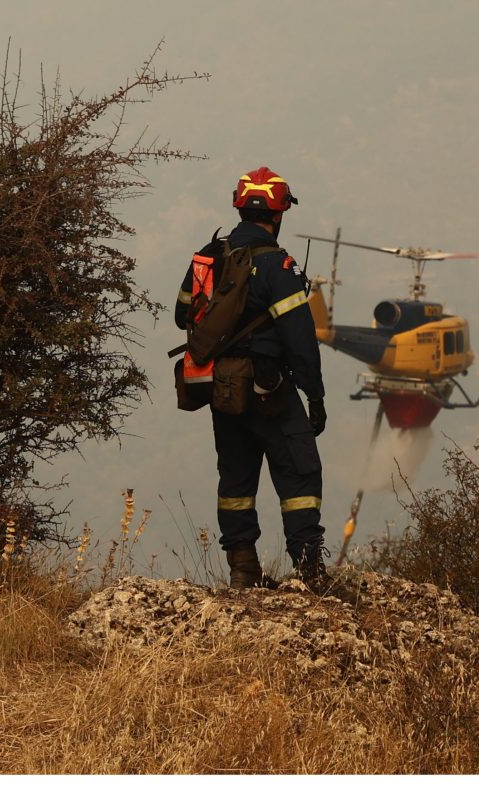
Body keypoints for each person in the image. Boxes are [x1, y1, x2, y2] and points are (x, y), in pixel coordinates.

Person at [174, 166, 328, 589]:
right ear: (278, 215)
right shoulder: (279, 266)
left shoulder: (208, 256)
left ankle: (243, 569)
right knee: (300, 471)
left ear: (240, 208)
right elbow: (300, 339)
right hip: (268, 390)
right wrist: (314, 396)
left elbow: (181, 315)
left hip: (222, 390)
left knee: (236, 479)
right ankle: (310, 572)